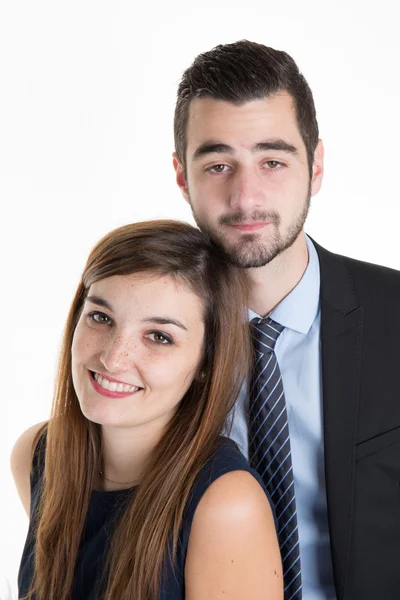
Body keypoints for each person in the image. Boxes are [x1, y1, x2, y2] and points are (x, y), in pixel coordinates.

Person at [172, 40, 400, 600]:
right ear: (182, 176)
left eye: (273, 161)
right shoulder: (152, 336)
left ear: (316, 165)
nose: (246, 196)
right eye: (218, 164)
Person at [11, 220, 283, 600]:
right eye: (101, 318)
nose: (113, 358)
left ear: (207, 361)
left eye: (159, 337)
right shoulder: (37, 454)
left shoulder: (225, 504)